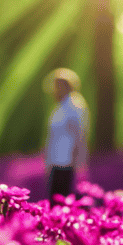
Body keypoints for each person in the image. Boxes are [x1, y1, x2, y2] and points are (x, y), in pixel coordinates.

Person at [44, 68, 88, 204]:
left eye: (58, 86)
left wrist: (78, 161)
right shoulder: (60, 105)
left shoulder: (74, 105)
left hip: (68, 160)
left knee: (63, 198)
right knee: (55, 196)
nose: (55, 89)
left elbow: (79, 134)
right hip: (56, 160)